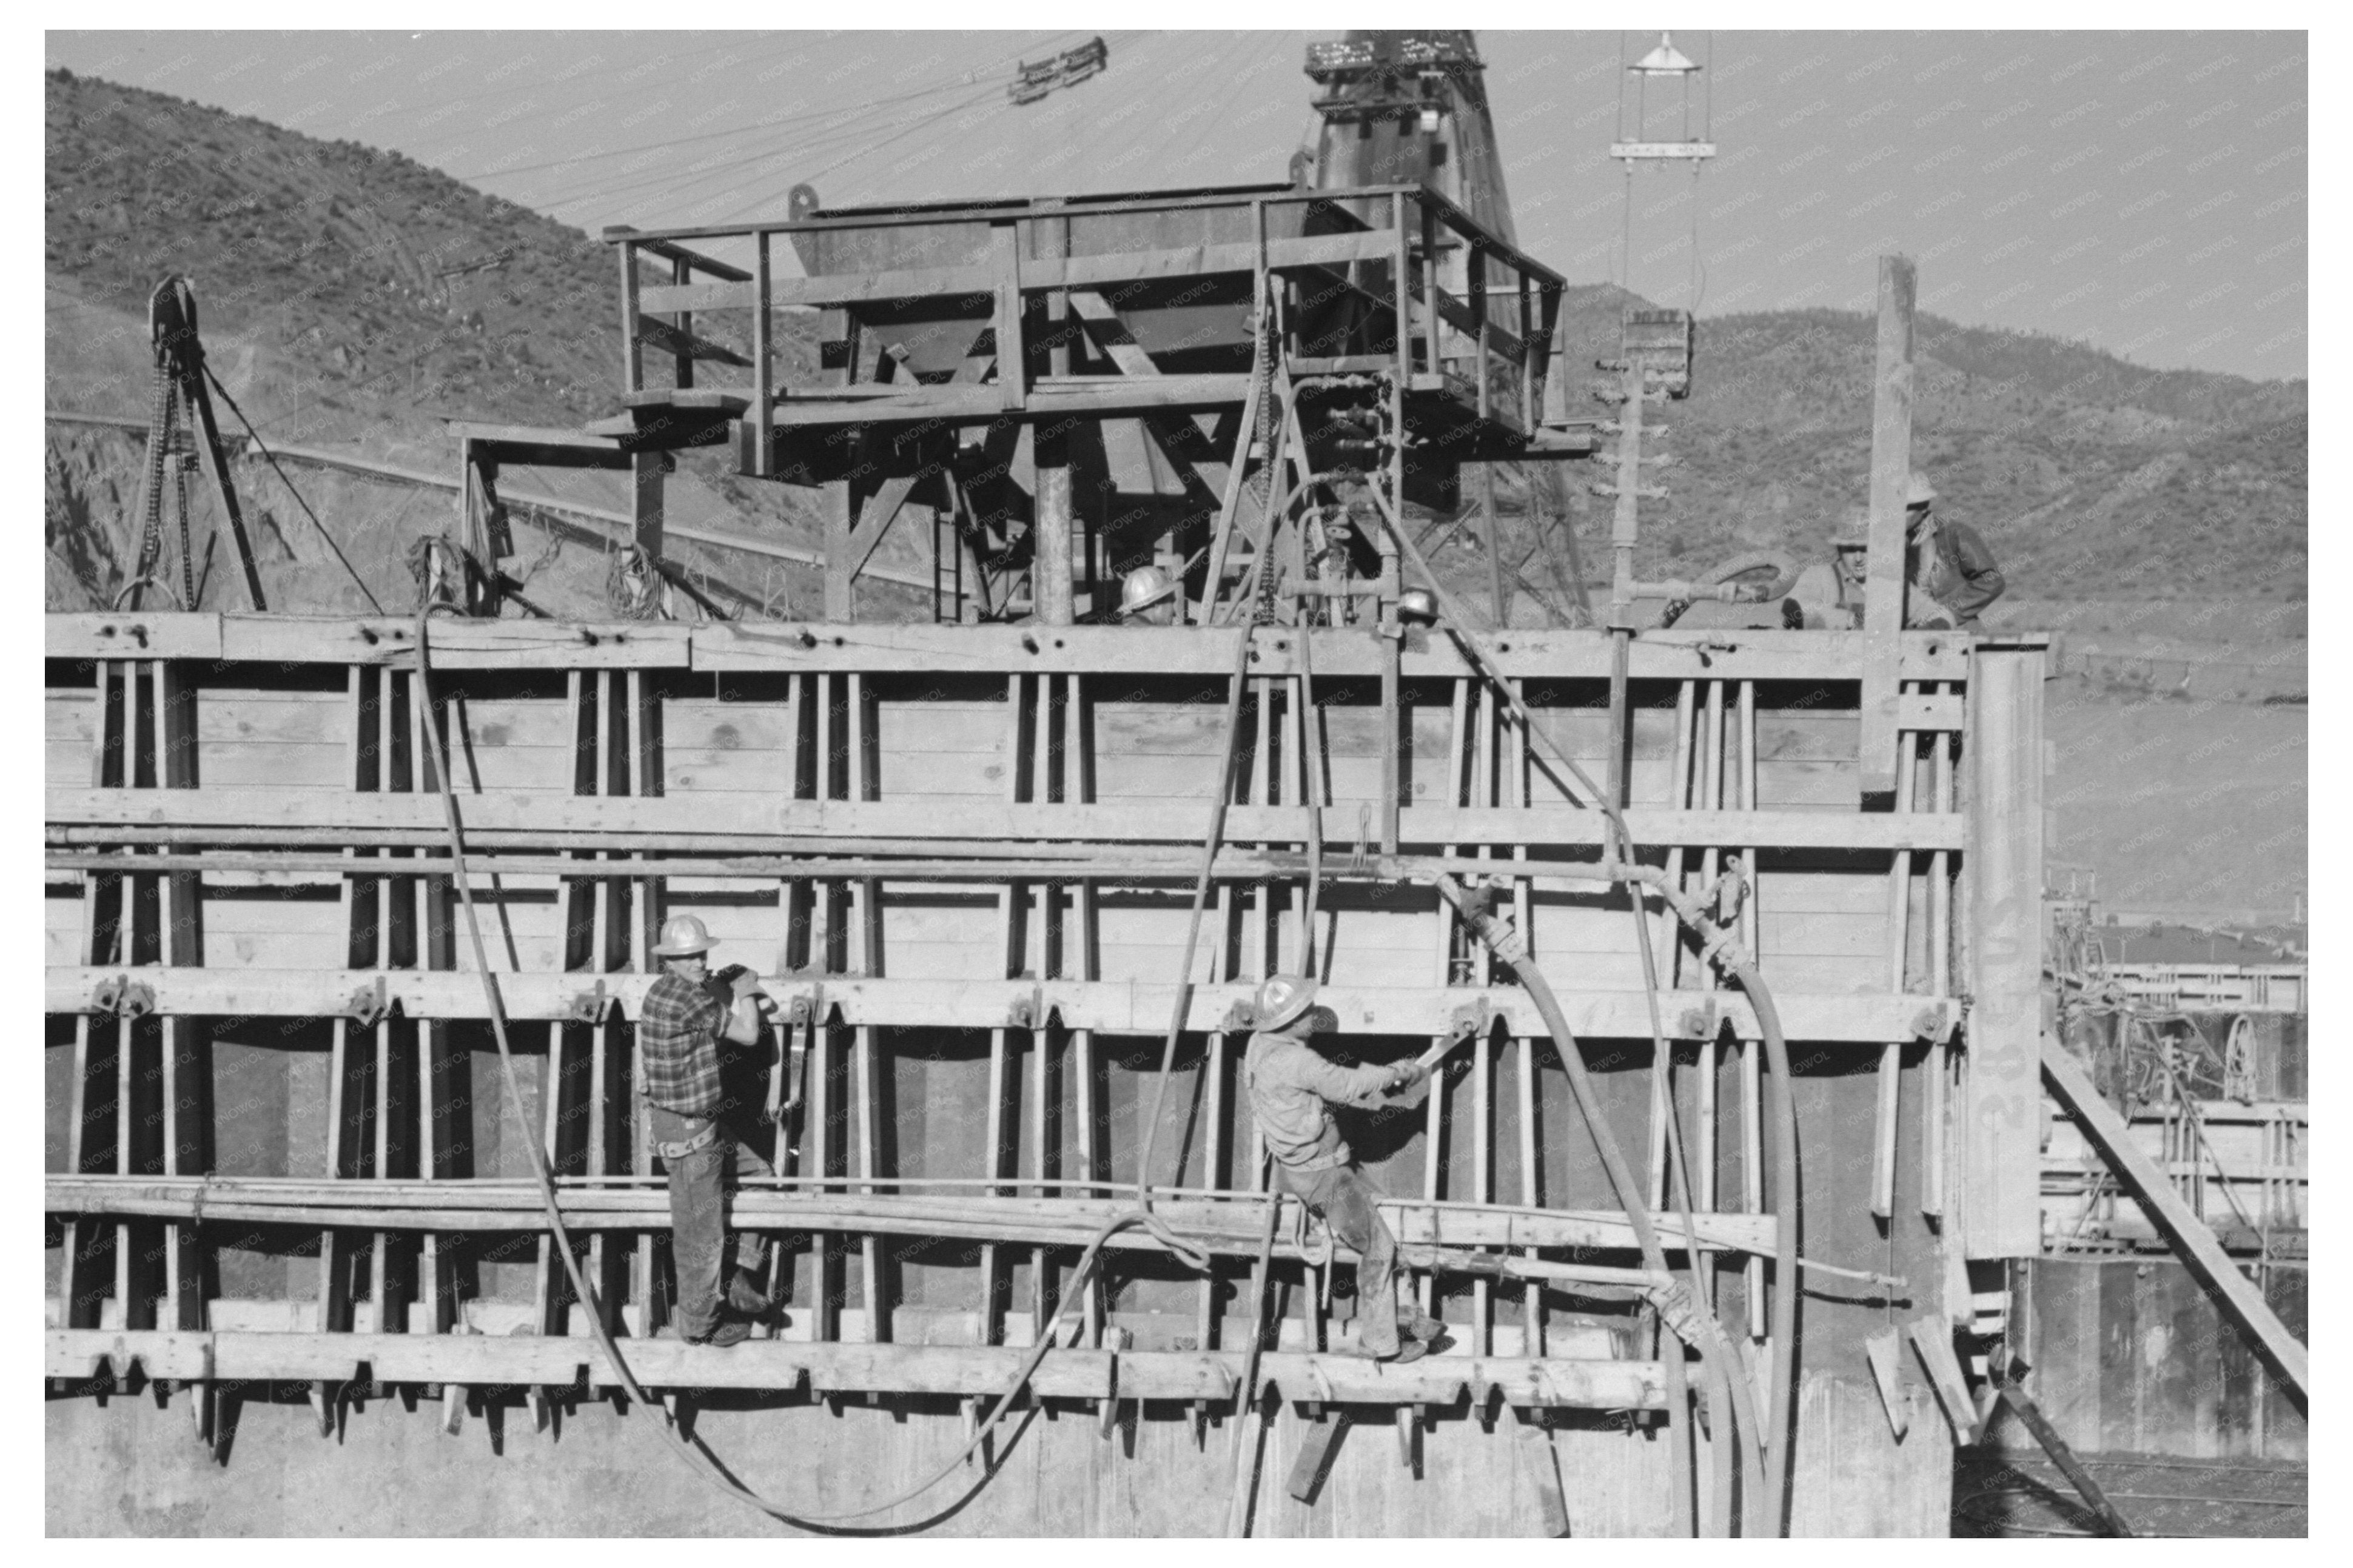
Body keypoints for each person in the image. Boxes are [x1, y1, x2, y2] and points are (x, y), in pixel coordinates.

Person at [1241, 974, 1445, 1362]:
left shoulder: (1260, 1044)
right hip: (1324, 1177)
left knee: (1383, 1226)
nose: (1315, 1015)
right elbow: (1347, 1086)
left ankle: (1404, 1313)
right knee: (1379, 1248)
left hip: (1323, 1166)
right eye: (1308, 1011)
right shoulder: (1297, 1060)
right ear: (1292, 1021)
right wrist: (1399, 1072)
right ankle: (1380, 1343)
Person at [639, 914, 782, 1348]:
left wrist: (720, 987)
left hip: (692, 1126)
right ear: (672, 961)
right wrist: (747, 991)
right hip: (691, 1137)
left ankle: (741, 1275)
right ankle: (700, 1328)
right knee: (699, 1236)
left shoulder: (661, 992)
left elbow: (707, 1016)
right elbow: (749, 1035)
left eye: (702, 954)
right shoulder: (692, 1001)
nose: (700, 962)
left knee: (761, 1176)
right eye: (690, 958)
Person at [1901, 473, 2004, 630]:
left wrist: (1943, 614)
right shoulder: (1889, 546)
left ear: (1923, 507)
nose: (1897, 516)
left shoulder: (1954, 535)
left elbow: (1991, 581)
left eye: (1905, 509)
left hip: (1956, 631)